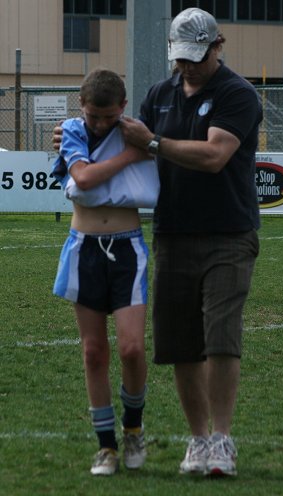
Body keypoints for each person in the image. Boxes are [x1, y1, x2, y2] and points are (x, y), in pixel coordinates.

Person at [53, 8, 262, 477]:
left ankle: (223, 440)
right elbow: (117, 138)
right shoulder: (159, 94)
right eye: (180, 58)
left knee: (221, 336)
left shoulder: (236, 93)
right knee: (179, 343)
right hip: (172, 234)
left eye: (197, 57)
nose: (187, 67)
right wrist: (69, 135)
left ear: (217, 46)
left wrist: (153, 144)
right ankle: (199, 439)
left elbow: (212, 155)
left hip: (229, 232)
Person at [52, 68, 153, 476]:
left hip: (127, 248)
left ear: (123, 108)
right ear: (82, 106)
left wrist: (143, 144)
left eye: (108, 117)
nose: (99, 124)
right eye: (93, 115)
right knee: (94, 352)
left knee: (131, 348)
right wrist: (133, 154)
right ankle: (106, 446)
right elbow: (83, 177)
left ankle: (133, 428)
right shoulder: (74, 131)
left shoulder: (138, 129)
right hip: (83, 248)